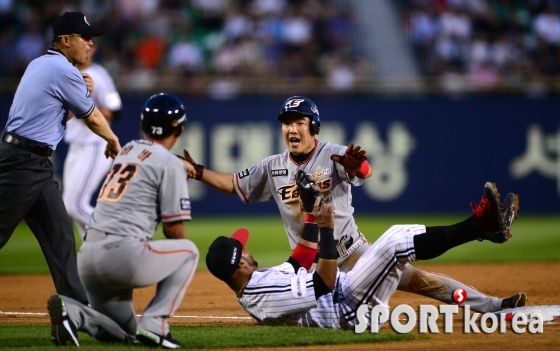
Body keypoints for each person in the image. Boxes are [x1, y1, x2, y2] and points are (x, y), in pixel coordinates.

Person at [184, 95, 526, 313]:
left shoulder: (331, 152)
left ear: (312, 125)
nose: (291, 128)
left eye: (299, 122)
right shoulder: (273, 165)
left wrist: (354, 166)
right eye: (287, 122)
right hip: (307, 263)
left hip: (352, 252)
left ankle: (493, 305)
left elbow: (364, 170)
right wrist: (198, 172)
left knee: (420, 281)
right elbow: (233, 183)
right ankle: (483, 231)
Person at [206, 180, 520, 328]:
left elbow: (298, 260)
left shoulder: (256, 282)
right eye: (241, 249)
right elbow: (324, 284)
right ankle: (480, 226)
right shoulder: (263, 293)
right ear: (239, 264)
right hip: (349, 310)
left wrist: (313, 214)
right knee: (396, 241)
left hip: (348, 292)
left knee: (407, 258)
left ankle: (483, 230)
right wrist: (328, 229)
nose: (246, 247)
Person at [47, 93, 199, 348]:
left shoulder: (128, 149)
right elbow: (173, 229)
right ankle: (156, 325)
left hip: (87, 258)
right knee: (189, 252)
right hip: (122, 256)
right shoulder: (170, 164)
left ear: (142, 126)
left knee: (126, 333)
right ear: (179, 128)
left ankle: (73, 312)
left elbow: (149, 170)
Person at [0, 11, 121, 305]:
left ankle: (77, 309)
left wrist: (79, 90)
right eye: (85, 38)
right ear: (66, 41)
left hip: (36, 164)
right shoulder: (63, 71)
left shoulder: (42, 64)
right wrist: (113, 139)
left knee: (61, 238)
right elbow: (92, 118)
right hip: (21, 162)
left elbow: (55, 111)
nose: (91, 44)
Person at [63, 41, 122, 240]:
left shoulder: (99, 75)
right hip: (75, 146)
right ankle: (94, 253)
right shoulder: (68, 72)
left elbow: (116, 111)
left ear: (94, 49)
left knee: (75, 204)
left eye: (91, 45)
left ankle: (119, 239)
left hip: (96, 145)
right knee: (69, 204)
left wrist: (88, 108)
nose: (87, 48)